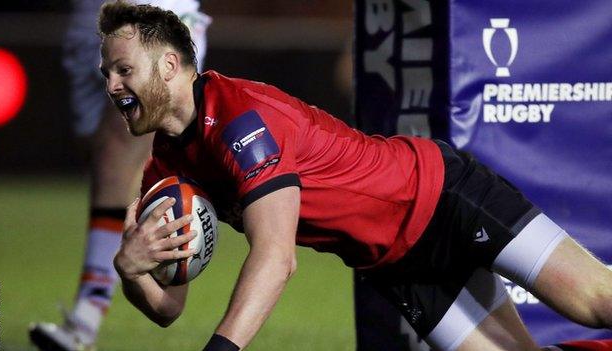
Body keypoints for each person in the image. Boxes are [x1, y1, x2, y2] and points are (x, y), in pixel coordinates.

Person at [98, 2, 612, 350]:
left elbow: (277, 258)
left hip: (442, 198)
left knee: (595, 302)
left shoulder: (239, 118)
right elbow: (169, 308)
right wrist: (131, 267)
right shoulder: (164, 168)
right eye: (107, 74)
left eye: (124, 70)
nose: (112, 85)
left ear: (169, 65)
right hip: (398, 265)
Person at [28, 1, 210, 350]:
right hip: (90, 13)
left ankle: (86, 318)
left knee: (119, 148)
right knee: (101, 160)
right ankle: (151, 246)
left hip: (152, 4)